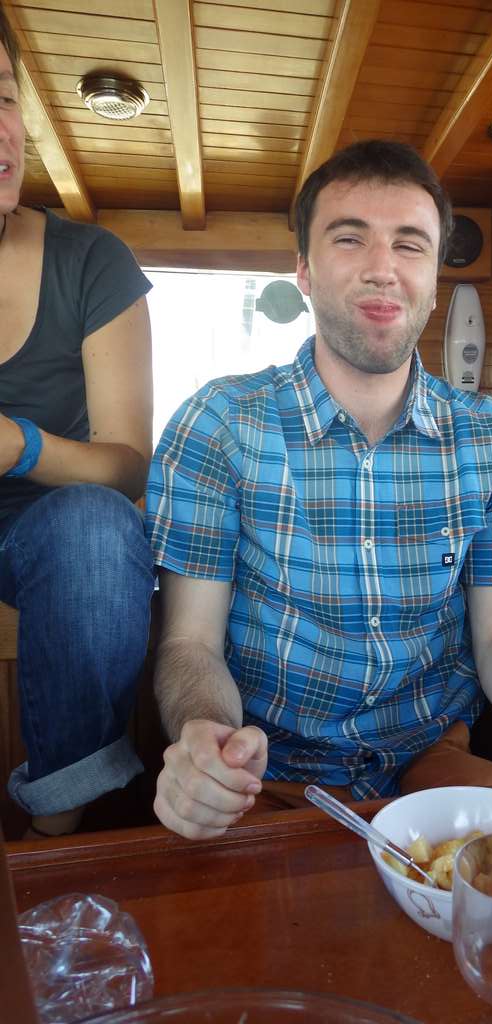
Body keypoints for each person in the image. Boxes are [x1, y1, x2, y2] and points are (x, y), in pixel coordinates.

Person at [145, 139, 492, 840]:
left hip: (435, 764)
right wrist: (209, 742)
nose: (382, 268)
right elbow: (191, 641)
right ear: (304, 269)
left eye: (410, 245)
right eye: (349, 238)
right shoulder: (219, 422)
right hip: (265, 775)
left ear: (435, 276)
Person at [0, 5, 154, 836]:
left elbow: (128, 467)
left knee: (97, 527)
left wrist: (16, 445)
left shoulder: (92, 260)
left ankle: (54, 836)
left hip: (48, 536)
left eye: (2, 96)